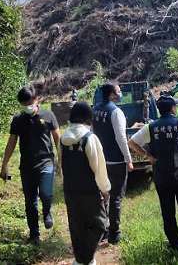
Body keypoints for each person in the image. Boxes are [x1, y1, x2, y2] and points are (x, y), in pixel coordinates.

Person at [129, 95, 178, 252]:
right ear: (173, 109)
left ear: (159, 110)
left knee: (168, 212)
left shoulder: (151, 127)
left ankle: (175, 246)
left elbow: (132, 142)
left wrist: (148, 156)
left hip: (162, 175)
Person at [0, 86, 61, 245]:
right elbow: (11, 143)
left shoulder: (48, 115)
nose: (28, 106)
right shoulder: (18, 120)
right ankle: (34, 235)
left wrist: (62, 160)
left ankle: (47, 212)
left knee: (46, 194)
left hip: (46, 162)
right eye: (24, 103)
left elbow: (57, 139)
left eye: (30, 102)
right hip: (27, 166)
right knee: (30, 201)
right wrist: (4, 164)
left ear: (37, 99)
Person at [60, 102, 111, 265]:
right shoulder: (89, 138)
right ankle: (86, 259)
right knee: (100, 224)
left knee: (77, 226)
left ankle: (80, 259)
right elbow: (99, 167)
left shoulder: (63, 138)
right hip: (89, 191)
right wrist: (105, 189)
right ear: (88, 118)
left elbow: (60, 163)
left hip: (70, 190)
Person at [92, 83, 133, 244]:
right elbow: (121, 138)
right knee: (115, 196)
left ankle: (102, 230)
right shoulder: (116, 112)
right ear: (111, 95)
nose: (120, 93)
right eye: (118, 91)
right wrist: (128, 159)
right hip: (116, 161)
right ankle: (114, 234)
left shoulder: (95, 110)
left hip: (100, 159)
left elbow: (93, 133)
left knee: (102, 196)